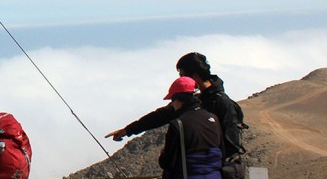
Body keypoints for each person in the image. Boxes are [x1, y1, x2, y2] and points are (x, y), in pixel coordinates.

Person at [105, 52, 245, 160]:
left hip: (212, 174)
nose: (180, 79)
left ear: (195, 76)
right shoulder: (195, 98)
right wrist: (128, 130)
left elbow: (231, 144)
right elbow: (160, 116)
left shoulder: (221, 103)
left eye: (182, 75)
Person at [157, 76, 234, 179]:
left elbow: (167, 162)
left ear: (180, 100)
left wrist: (162, 155)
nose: (172, 104)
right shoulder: (213, 119)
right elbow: (221, 151)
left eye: (173, 100)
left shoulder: (178, 124)